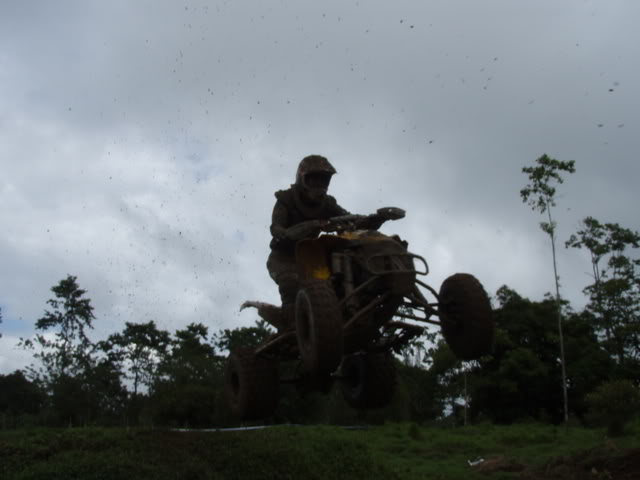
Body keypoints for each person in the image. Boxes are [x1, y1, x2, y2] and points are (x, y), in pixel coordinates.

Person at [266, 155, 350, 329]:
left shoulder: (327, 203)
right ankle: (291, 327)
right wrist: (293, 232)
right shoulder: (286, 199)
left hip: (313, 257)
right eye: (314, 180)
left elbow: (348, 218)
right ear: (302, 179)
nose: (319, 185)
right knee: (292, 285)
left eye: (323, 180)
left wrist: (375, 219)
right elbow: (276, 228)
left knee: (339, 277)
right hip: (285, 258)